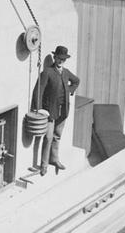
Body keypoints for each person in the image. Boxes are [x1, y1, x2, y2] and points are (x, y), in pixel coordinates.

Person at [32, 45, 80, 175]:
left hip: (62, 111)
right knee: (48, 138)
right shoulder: (47, 72)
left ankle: (54, 159)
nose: (61, 61)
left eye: (63, 59)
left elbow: (76, 81)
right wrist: (39, 110)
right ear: (54, 57)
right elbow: (38, 92)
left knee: (57, 136)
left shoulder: (66, 72)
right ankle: (44, 165)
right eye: (59, 58)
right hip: (49, 112)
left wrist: (69, 91)